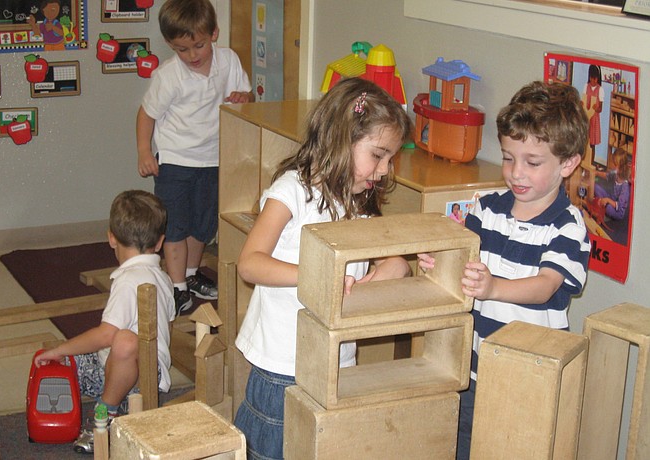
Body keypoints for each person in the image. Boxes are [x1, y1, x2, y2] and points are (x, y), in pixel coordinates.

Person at [233, 78, 432, 460]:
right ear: (341, 139)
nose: (384, 170)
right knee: (271, 450)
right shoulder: (292, 191)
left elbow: (391, 261)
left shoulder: (357, 202)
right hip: (283, 365)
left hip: (336, 361)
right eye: (378, 155)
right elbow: (250, 263)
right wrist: (318, 276)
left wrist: (395, 268)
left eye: (390, 159)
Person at [455, 81, 591, 459]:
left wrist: (493, 288)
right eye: (508, 157)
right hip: (475, 371)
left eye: (532, 163)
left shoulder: (567, 226)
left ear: (568, 164)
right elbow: (464, 261)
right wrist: (445, 265)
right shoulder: (486, 209)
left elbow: (545, 286)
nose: (516, 173)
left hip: (530, 376)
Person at [136, 0, 254, 315]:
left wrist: (243, 97)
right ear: (170, 45)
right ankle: (177, 287)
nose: (192, 55)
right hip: (175, 161)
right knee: (175, 225)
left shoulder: (228, 61)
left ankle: (190, 274)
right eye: (182, 50)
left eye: (198, 46)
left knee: (202, 224)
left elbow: (246, 96)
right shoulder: (169, 76)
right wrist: (145, 151)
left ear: (213, 34)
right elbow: (147, 114)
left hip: (213, 158)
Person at [33, 190, 176, 445]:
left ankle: (106, 412)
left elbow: (106, 335)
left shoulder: (128, 281)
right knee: (78, 356)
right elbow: (169, 326)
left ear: (111, 238)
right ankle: (117, 403)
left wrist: (60, 349)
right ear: (159, 243)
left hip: (138, 380)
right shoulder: (164, 278)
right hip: (149, 372)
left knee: (120, 341)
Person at [594, 147, 631, 222]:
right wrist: (597, 173)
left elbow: (619, 207)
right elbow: (607, 175)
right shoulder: (616, 173)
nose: (613, 166)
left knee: (607, 207)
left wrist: (607, 200)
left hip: (617, 211)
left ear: (621, 167)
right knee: (596, 187)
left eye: (615, 165)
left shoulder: (625, 186)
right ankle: (602, 206)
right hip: (612, 199)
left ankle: (604, 212)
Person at [584, 65, 604, 159]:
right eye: (592, 78)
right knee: (584, 141)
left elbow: (600, 109)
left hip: (594, 119)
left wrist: (597, 108)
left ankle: (591, 161)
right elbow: (584, 101)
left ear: (598, 78)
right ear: (589, 77)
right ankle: (583, 161)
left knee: (592, 143)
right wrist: (581, 103)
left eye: (595, 79)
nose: (593, 81)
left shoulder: (600, 89)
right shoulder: (586, 86)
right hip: (586, 117)